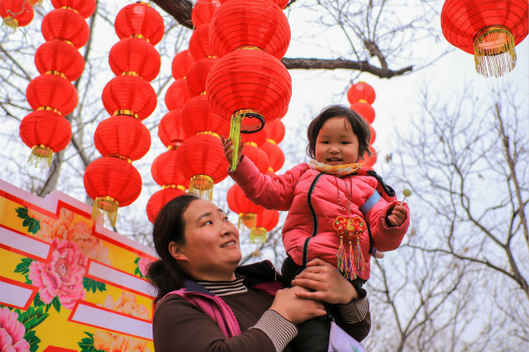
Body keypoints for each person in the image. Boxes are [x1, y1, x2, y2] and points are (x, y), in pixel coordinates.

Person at [223, 104, 410, 351]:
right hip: (301, 266)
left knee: (320, 333)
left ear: (361, 150)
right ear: (313, 147)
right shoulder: (303, 174)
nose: (334, 149)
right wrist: (241, 164)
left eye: (344, 143)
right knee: (306, 325)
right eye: (325, 142)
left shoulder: (367, 185)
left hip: (345, 269)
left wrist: (392, 222)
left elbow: (381, 230)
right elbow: (268, 191)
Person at [148, 194, 371, 352]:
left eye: (224, 218)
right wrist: (281, 317)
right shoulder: (177, 308)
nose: (227, 229)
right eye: (207, 222)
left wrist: (348, 296)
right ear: (178, 250)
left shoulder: (271, 287)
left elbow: (347, 336)